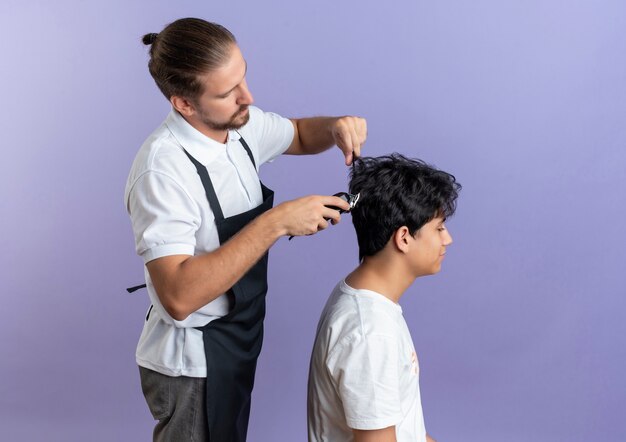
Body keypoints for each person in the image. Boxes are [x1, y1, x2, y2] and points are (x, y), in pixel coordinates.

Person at [124, 17, 367, 441]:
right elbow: (179, 297)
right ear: (183, 103)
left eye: (244, 79)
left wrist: (335, 126)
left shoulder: (237, 126)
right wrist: (276, 223)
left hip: (237, 340)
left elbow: (297, 134)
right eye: (227, 92)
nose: (247, 98)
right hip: (194, 361)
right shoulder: (162, 171)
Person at [307, 154, 461, 442]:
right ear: (403, 238)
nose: (447, 239)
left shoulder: (366, 301)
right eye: (439, 228)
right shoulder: (371, 330)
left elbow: (406, 429)